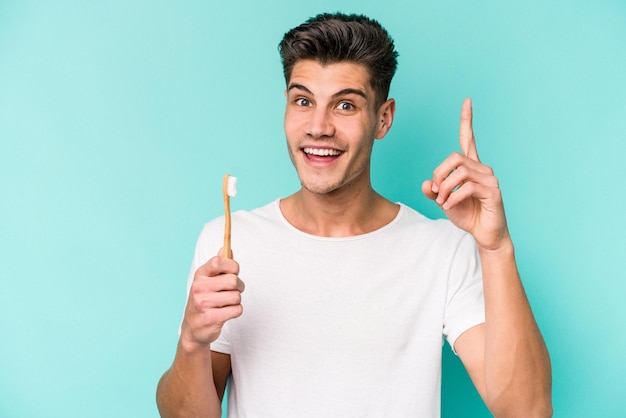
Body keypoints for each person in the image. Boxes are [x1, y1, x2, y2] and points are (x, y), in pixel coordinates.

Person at [156, 12, 552, 418]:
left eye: (345, 105)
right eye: (303, 101)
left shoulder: (442, 249)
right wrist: (192, 341)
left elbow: (528, 411)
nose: (318, 127)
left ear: (383, 119)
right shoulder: (229, 242)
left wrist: (496, 247)